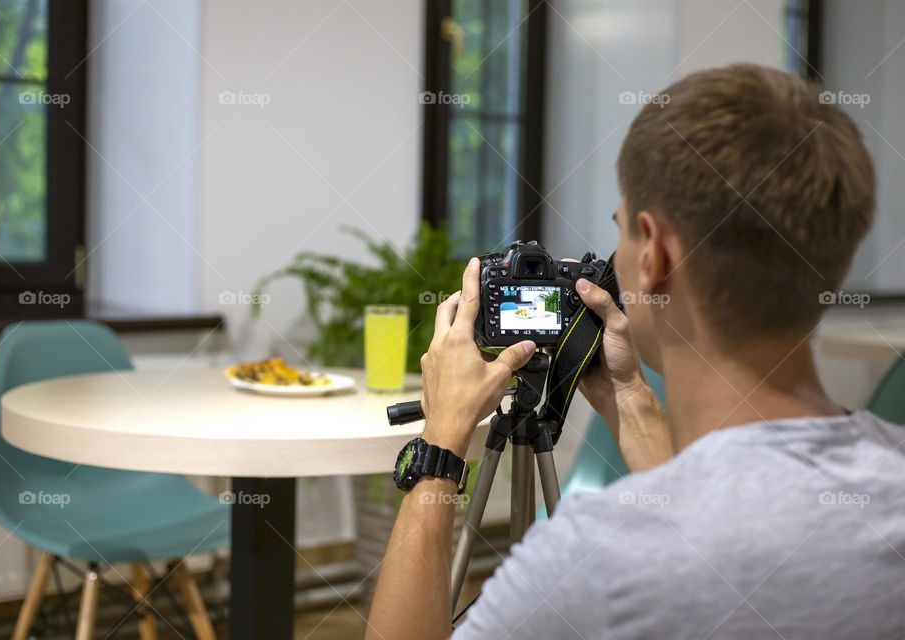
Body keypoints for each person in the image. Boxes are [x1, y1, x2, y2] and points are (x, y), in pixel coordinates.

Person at [366, 63, 904, 640]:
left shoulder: (592, 561)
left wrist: (441, 449)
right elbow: (697, 520)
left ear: (655, 254)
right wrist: (627, 392)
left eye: (622, 232)